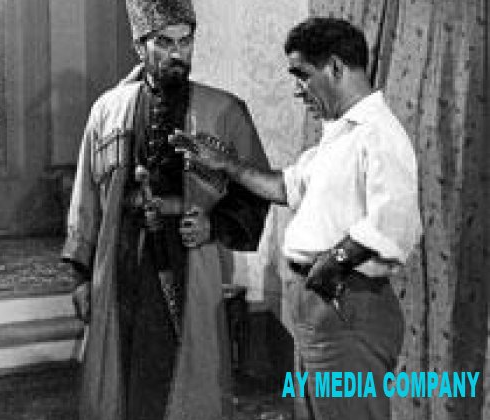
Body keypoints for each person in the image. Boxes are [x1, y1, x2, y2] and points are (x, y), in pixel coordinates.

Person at [179, 17, 422, 420]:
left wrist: (333, 265)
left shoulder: (378, 133)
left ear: (336, 68)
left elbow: (394, 220)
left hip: (345, 302)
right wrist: (226, 164)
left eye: (303, 75)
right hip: (320, 306)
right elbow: (285, 186)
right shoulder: (339, 134)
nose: (297, 89)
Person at [61, 0, 271, 419]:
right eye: (164, 42)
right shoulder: (107, 110)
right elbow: (86, 198)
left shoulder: (225, 111)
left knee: (190, 376)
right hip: (120, 259)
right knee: (121, 377)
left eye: (185, 42)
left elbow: (256, 191)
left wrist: (213, 224)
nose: (177, 53)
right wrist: (81, 277)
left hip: (191, 258)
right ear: (140, 47)